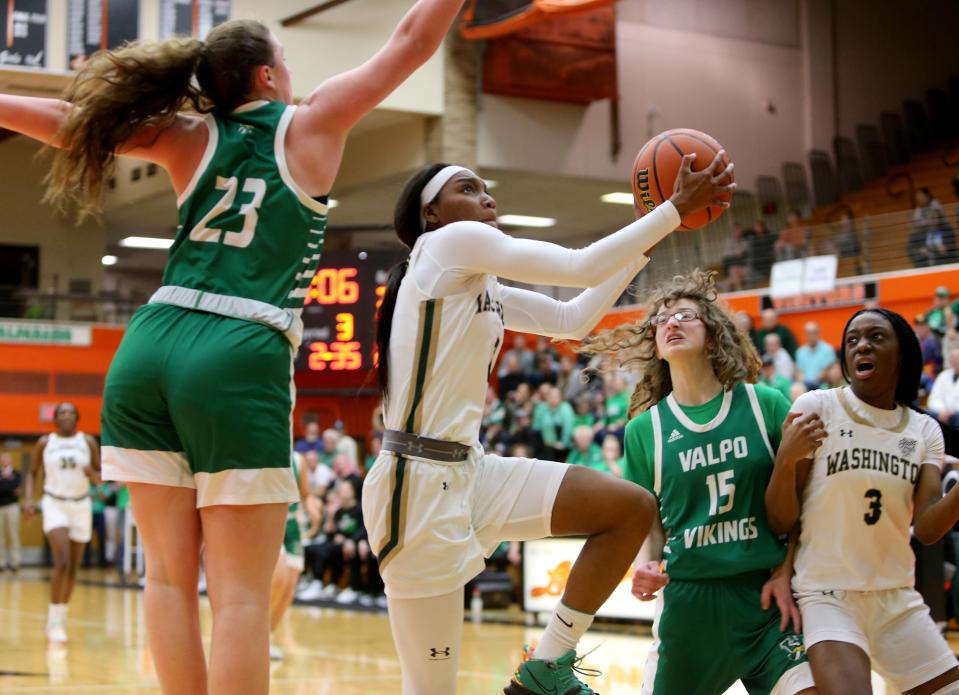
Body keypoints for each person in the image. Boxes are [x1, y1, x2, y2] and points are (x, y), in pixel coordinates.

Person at [1, 4, 467, 693]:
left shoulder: (187, 135)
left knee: (164, 576)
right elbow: (412, 38)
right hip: (238, 346)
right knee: (241, 595)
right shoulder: (311, 121)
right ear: (268, 73)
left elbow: (77, 128)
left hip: (149, 343)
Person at [366, 155, 734, 694]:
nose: (488, 199)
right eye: (469, 189)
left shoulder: (476, 283)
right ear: (434, 214)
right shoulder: (444, 247)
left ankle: (545, 667)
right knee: (431, 688)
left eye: (488, 188)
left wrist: (642, 248)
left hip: (472, 471)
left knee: (629, 508)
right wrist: (672, 210)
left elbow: (572, 320)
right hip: (416, 485)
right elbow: (579, 265)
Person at [581, 270, 814, 695]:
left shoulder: (765, 405)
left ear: (713, 332)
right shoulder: (643, 431)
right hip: (689, 604)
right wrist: (644, 567)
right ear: (655, 343)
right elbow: (644, 521)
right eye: (662, 320)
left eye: (685, 315)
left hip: (764, 598)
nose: (671, 323)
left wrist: (786, 571)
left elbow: (806, 500)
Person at [765, 308, 959, 695]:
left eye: (875, 337)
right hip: (828, 594)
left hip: (896, 598)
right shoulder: (817, 407)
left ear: (901, 353)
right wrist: (786, 459)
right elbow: (781, 519)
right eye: (852, 340)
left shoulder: (923, 430)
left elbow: (928, 528)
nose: (861, 346)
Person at [23, 403, 100, 643]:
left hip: (81, 505)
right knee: (63, 561)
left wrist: (92, 475)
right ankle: (53, 620)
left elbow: (101, 478)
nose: (66, 415)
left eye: (70, 412)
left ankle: (62, 614)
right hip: (54, 503)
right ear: (55, 419)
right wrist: (28, 499)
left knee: (74, 568)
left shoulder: (87, 441)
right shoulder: (45, 443)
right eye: (62, 412)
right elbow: (32, 472)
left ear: (77, 417)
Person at [268, 451, 316, 661]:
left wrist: (313, 506)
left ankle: (267, 637)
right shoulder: (265, 448)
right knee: (278, 578)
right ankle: (256, 637)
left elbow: (306, 494)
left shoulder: (298, 459)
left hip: (293, 525)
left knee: (289, 588)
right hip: (270, 520)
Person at [795, 321, 836, 390]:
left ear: (819, 334)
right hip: (804, 384)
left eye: (814, 333)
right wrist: (802, 379)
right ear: (805, 335)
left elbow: (828, 370)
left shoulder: (828, 349)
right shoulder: (800, 351)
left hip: (822, 383)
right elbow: (798, 371)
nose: (811, 336)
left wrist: (813, 380)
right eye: (808, 333)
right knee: (795, 388)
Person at [0, 451, 22, 573]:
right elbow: (10, 487)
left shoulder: (16, 473)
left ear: (11, 460)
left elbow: (16, 485)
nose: (4, 460)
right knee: (0, 536)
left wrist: (5, 486)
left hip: (13, 507)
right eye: (2, 458)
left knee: (13, 534)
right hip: (0, 507)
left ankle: (15, 562)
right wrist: (9, 488)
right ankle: (1, 563)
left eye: (6, 458)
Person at [929, 347, 959, 427]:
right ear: (950, 361)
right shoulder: (943, 375)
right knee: (927, 415)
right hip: (941, 413)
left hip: (956, 414)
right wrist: (942, 410)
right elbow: (934, 397)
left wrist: (950, 412)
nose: (957, 361)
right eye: (954, 359)